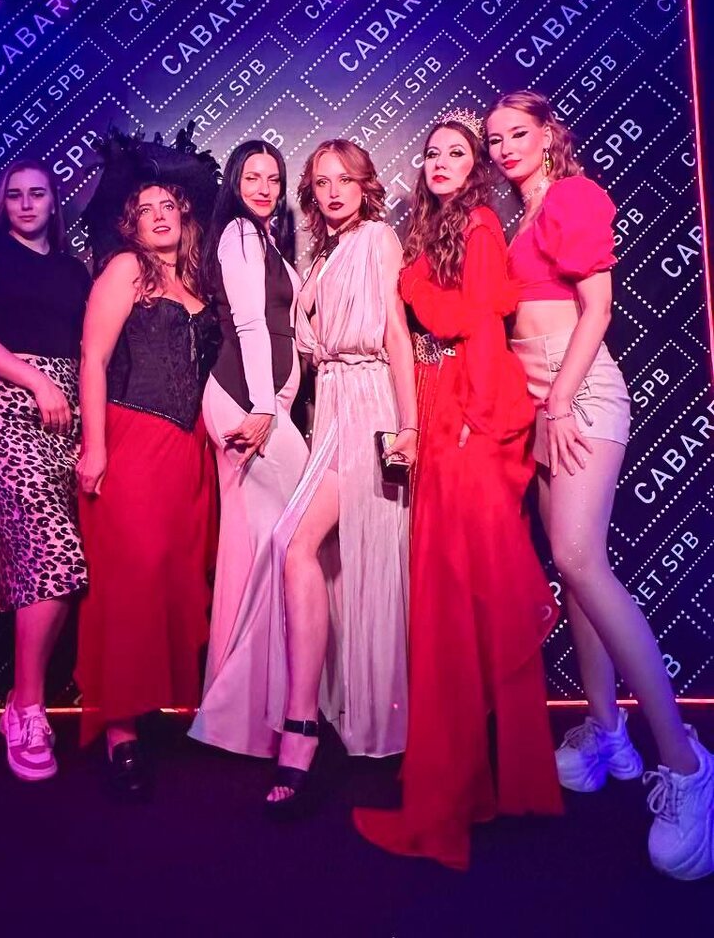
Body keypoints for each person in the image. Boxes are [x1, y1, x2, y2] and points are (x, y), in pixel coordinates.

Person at [486, 89, 714, 882]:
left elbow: (599, 306)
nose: (505, 148)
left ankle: (686, 764)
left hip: (575, 393)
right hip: (539, 398)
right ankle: (606, 730)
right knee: (572, 570)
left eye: (518, 133)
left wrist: (556, 401)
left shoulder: (572, 196)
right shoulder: (518, 216)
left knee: (581, 560)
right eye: (495, 139)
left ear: (548, 133)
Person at [353, 111, 562, 868]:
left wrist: (472, 420)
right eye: (433, 153)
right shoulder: (435, 228)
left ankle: (457, 796)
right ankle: (481, 785)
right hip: (442, 406)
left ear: (475, 168)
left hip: (469, 412)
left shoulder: (476, 223)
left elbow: (474, 324)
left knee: (459, 600)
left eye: (457, 153)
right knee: (455, 601)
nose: (441, 162)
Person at [264, 139, 418, 814]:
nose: (332, 192)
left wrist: (409, 428)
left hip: (369, 406)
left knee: (299, 544)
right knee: (330, 560)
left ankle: (300, 726)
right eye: (321, 182)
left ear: (365, 186)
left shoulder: (378, 239)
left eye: (344, 180)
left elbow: (395, 335)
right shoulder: (320, 256)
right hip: (329, 406)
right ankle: (331, 713)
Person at [76, 132, 220, 799]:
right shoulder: (124, 271)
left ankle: (154, 706)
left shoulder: (197, 280)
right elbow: (94, 360)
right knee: (129, 582)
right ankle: (119, 728)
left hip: (189, 450)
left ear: (185, 215)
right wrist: (96, 446)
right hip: (132, 440)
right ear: (129, 224)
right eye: (146, 209)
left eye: (169, 206)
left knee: (174, 577)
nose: (159, 216)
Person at [0, 160, 90, 782]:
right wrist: (35, 381)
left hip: (65, 413)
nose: (27, 204)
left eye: (38, 194)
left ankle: (22, 701)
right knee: (54, 552)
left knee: (47, 559)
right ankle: (27, 708)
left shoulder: (73, 269)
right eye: (15, 195)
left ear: (54, 200)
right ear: (2, 202)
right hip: (6, 405)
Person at [188, 141, 309, 758]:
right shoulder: (238, 233)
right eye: (252, 176)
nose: (263, 187)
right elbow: (250, 324)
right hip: (245, 403)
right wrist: (264, 406)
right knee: (293, 541)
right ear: (234, 182)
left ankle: (248, 718)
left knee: (261, 549)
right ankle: (252, 712)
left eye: (273, 179)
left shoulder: (267, 242)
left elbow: (295, 329)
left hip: (266, 403)